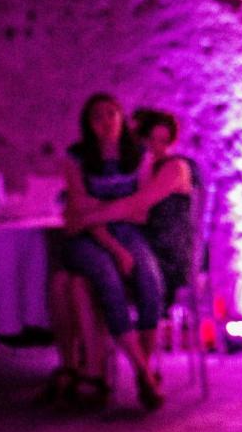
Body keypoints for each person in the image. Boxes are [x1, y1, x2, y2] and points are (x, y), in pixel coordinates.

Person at [65, 108, 199, 368]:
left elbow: (135, 205)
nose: (157, 148)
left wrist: (86, 219)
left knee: (113, 274)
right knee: (77, 281)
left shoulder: (175, 167)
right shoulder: (138, 169)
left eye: (164, 141)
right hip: (143, 246)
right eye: (150, 140)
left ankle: (142, 365)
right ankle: (94, 367)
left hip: (167, 255)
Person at [55, 93, 165, 410]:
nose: (105, 122)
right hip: (90, 237)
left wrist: (97, 209)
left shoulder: (139, 155)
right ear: (88, 124)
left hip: (126, 231)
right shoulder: (76, 158)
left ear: (121, 117)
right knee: (107, 277)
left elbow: (140, 211)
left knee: (149, 278)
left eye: (111, 114)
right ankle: (144, 373)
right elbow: (79, 211)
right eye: (97, 117)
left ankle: (146, 367)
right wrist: (115, 246)